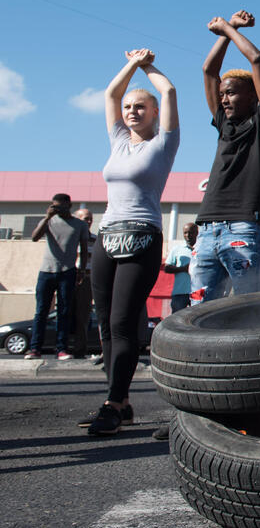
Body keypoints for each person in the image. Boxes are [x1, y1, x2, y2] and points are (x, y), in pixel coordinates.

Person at [87, 48, 179, 436]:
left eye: (141, 107)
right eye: (129, 108)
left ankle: (112, 402)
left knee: (124, 323)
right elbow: (110, 94)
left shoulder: (163, 145)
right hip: (106, 236)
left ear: (155, 112)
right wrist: (129, 66)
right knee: (105, 325)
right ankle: (120, 401)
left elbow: (170, 90)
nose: (131, 111)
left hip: (142, 237)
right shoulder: (119, 142)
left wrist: (148, 67)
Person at [192, 10, 260, 303]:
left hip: (243, 227)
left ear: (253, 96)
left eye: (231, 93)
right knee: (198, 312)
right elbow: (208, 71)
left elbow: (256, 59)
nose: (224, 99)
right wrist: (225, 33)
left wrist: (229, 29)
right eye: (222, 95)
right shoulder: (223, 123)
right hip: (206, 229)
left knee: (246, 310)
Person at [26, 194, 89, 361]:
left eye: (61, 206)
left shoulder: (80, 224)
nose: (58, 209)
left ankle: (61, 349)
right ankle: (34, 349)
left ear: (69, 205)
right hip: (46, 271)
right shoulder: (49, 221)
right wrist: (48, 216)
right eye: (55, 206)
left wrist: (81, 271)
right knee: (41, 311)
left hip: (67, 272)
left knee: (64, 311)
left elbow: (83, 249)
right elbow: (34, 237)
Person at [72, 208, 96, 358]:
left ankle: (80, 349)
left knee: (83, 315)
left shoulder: (95, 239)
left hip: (87, 279)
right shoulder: (71, 237)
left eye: (90, 218)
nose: (88, 221)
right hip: (69, 277)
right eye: (85, 218)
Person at [164, 222, 198, 313]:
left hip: (198, 292)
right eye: (185, 233)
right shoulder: (177, 249)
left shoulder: (202, 248)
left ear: (197, 233)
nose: (188, 235)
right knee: (177, 321)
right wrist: (183, 269)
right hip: (180, 292)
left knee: (197, 321)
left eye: (191, 232)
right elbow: (166, 268)